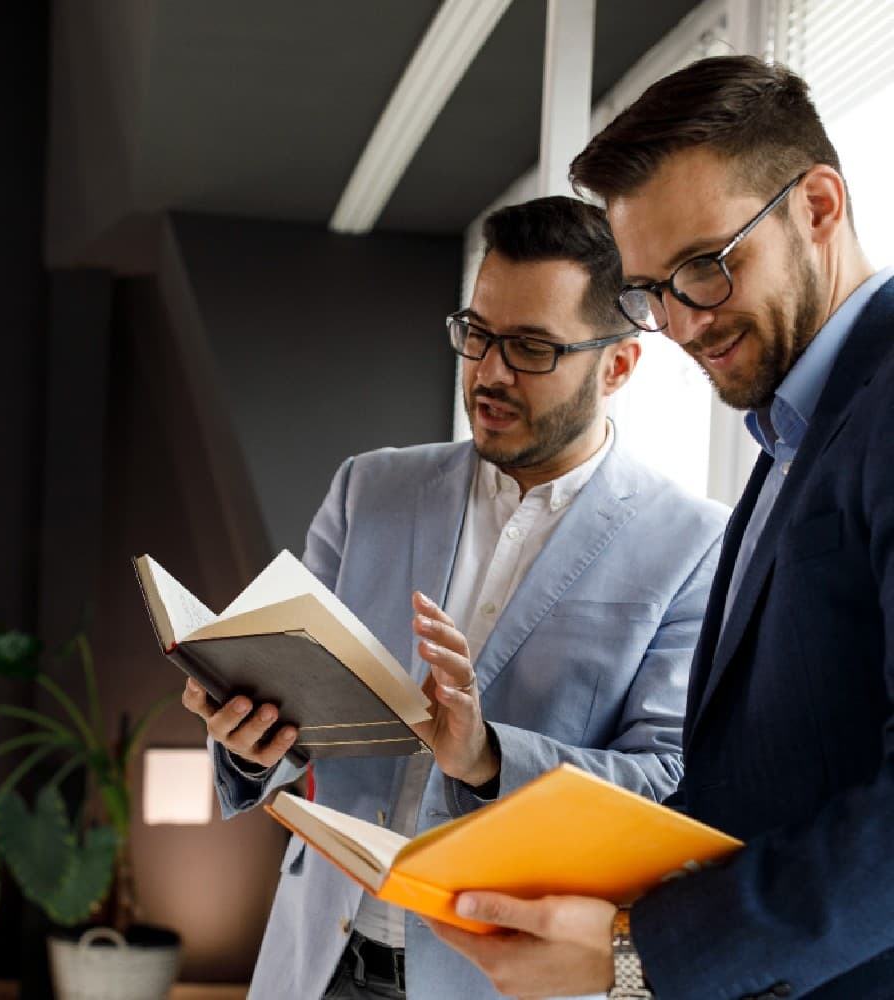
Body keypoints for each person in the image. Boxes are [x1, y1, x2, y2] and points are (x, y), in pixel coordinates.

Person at [426, 55, 894, 1000]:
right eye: (651, 290)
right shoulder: (790, 435)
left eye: (708, 268)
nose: (680, 323)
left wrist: (641, 957)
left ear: (819, 206)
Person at [182, 196, 729, 998]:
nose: (490, 372)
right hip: (316, 955)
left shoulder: (694, 544)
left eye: (531, 347)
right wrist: (249, 737)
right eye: (476, 334)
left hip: (495, 977)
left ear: (617, 366)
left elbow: (668, 782)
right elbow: (299, 699)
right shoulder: (369, 487)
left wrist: (486, 757)